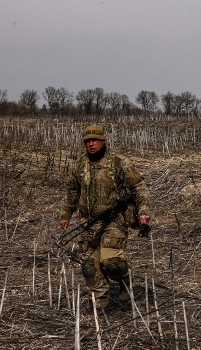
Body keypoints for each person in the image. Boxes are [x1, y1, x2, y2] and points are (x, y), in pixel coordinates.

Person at [59, 124, 151, 309]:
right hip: (88, 222)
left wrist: (143, 211)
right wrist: (66, 214)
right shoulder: (80, 164)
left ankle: (124, 281)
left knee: (111, 262)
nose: (91, 144)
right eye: (87, 141)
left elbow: (138, 187)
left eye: (95, 140)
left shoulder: (119, 162)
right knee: (89, 267)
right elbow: (72, 191)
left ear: (103, 141)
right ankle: (99, 307)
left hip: (114, 221)